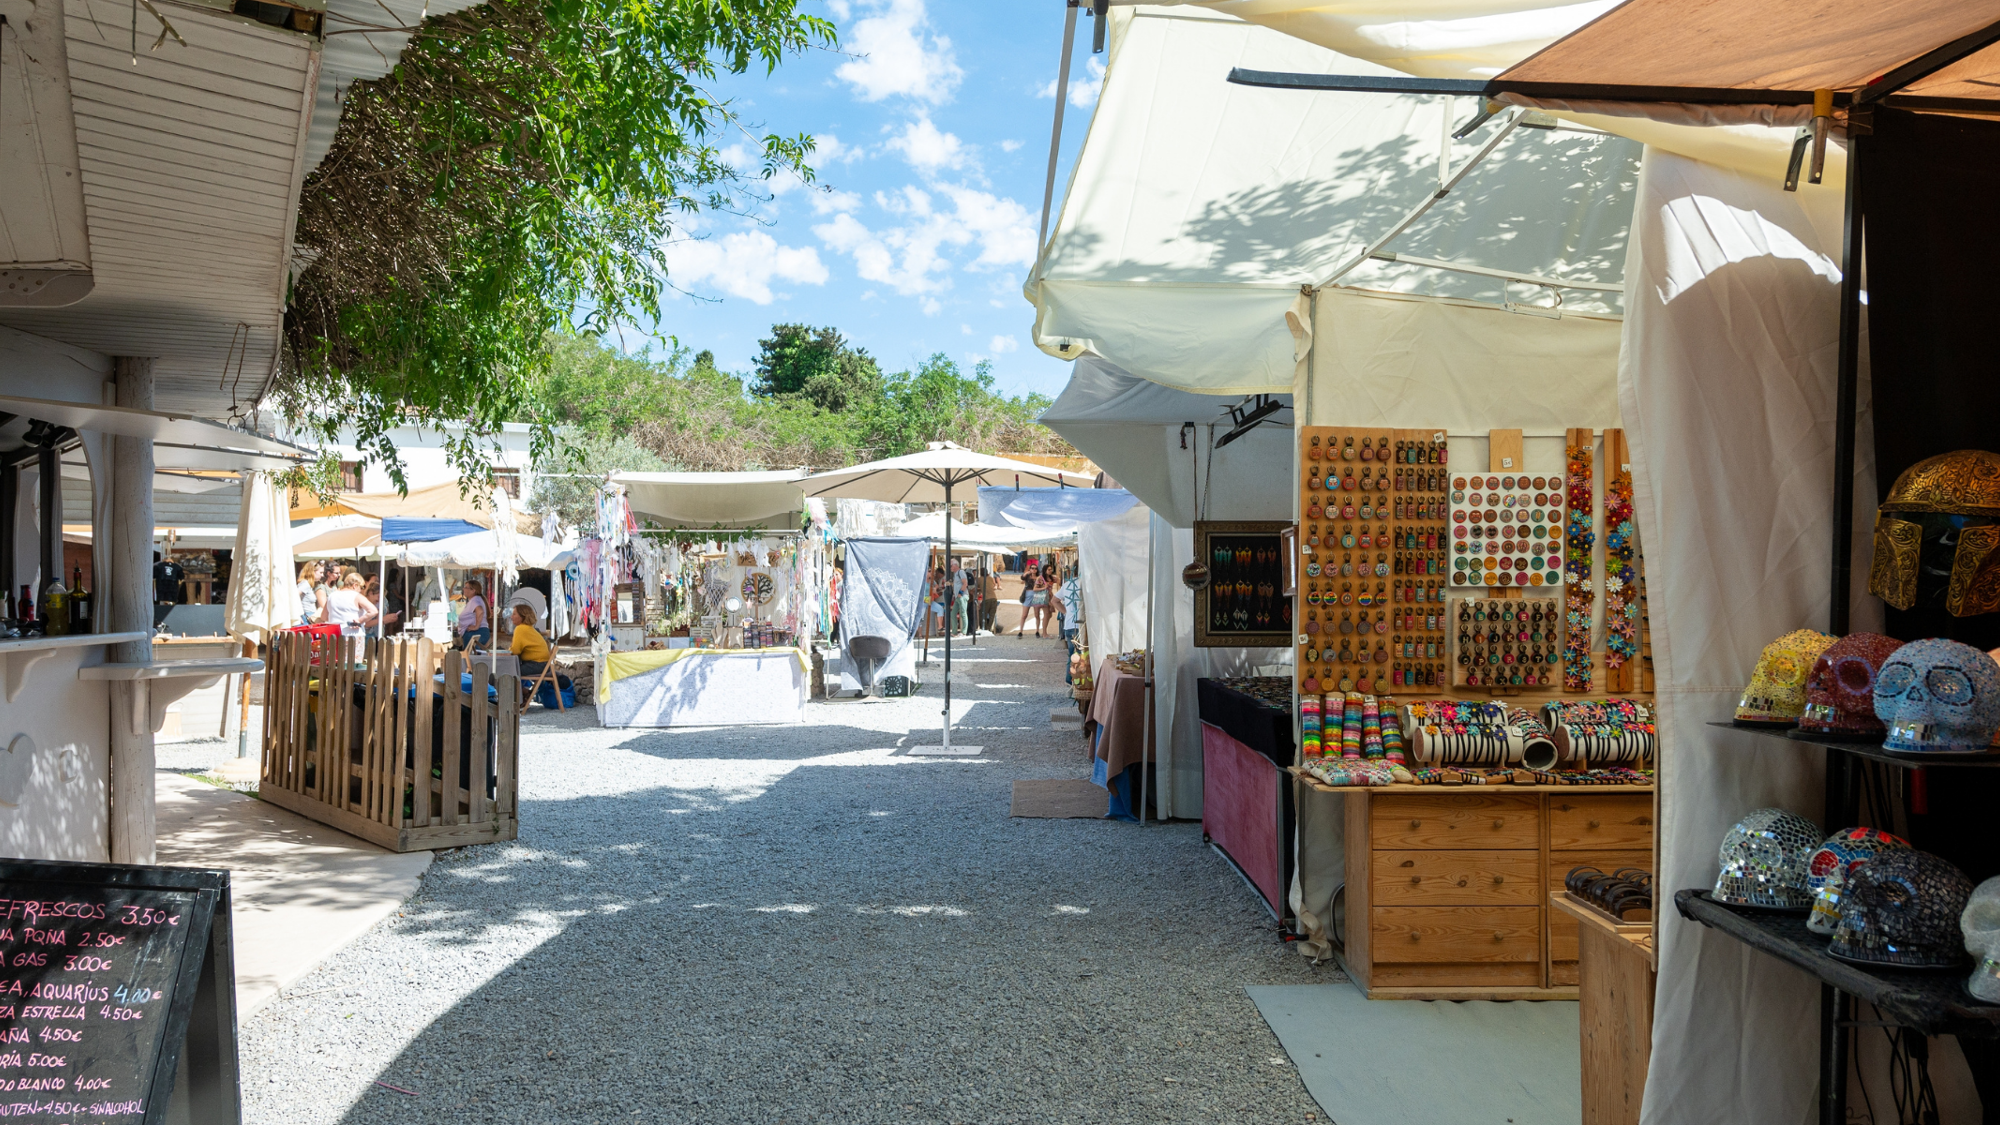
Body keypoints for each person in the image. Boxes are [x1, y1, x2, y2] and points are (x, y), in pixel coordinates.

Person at [509, 603, 552, 677]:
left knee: (506, 670)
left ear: (522, 616)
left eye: (514, 614)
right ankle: (521, 688)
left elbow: (515, 651)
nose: (511, 617)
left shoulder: (520, 629)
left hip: (537, 665)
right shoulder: (529, 628)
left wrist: (507, 650)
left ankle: (516, 689)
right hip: (543, 665)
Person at [457, 579, 490, 651]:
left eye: (466, 587)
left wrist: (476, 626)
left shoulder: (475, 600)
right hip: (480, 632)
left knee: (471, 658)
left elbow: (480, 611)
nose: (463, 589)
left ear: (473, 590)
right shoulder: (475, 600)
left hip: (475, 633)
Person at [1057, 566, 1083, 643]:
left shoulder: (1067, 584)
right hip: (1082, 625)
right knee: (1084, 653)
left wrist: (1066, 612)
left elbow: (1054, 600)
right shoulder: (1086, 584)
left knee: (1073, 654)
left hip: (1070, 624)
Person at [296, 562, 322, 626]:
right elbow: (294, 597)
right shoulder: (305, 584)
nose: (322, 575)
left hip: (308, 617)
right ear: (312, 572)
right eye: (320, 572)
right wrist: (297, 615)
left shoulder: (308, 584)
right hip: (305, 618)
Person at [948, 558, 969, 637]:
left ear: (955, 565)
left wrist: (960, 593)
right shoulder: (955, 574)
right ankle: (954, 631)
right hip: (957, 597)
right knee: (953, 613)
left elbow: (965, 583)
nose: (950, 567)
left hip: (962, 596)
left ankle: (964, 632)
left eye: (951, 565)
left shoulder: (961, 572)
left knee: (963, 613)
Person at [977, 562, 999, 634]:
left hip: (986, 599)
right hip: (994, 598)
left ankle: (984, 628)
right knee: (992, 615)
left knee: (982, 614)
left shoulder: (979, 579)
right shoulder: (991, 578)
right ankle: (989, 629)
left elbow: (977, 587)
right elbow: (992, 586)